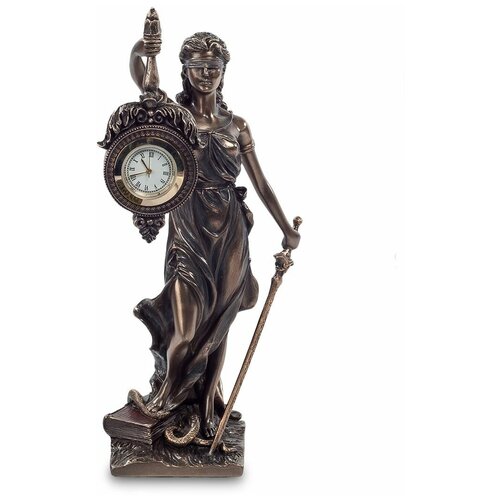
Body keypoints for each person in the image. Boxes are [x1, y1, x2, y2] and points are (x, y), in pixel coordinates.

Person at [132, 32, 300, 437]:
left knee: (221, 321)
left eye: (214, 67)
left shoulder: (237, 125)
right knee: (186, 328)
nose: (206, 74)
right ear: (185, 71)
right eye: (198, 67)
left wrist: (285, 229)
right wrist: (142, 49)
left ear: (224, 71)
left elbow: (261, 184)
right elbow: (142, 80)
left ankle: (208, 406)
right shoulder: (175, 116)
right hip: (188, 227)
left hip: (230, 233)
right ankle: (166, 397)